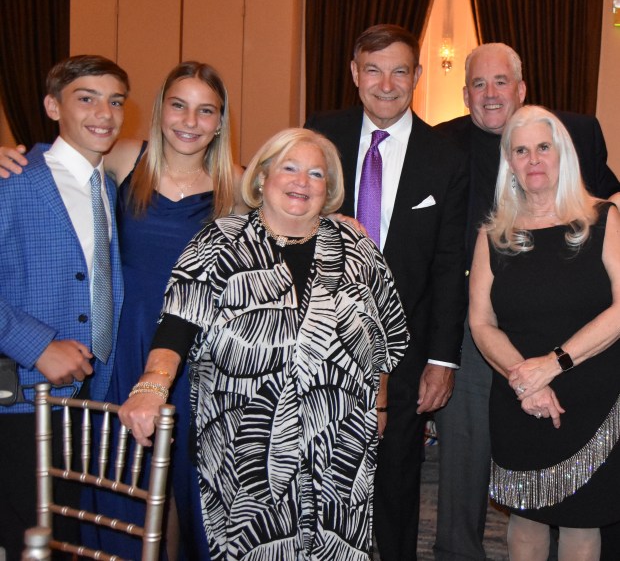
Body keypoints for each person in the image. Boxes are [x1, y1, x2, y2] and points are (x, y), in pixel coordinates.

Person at [118, 127, 409, 560]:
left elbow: (384, 336)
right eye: (289, 168)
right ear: (262, 177)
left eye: (316, 174)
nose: (302, 182)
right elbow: (177, 325)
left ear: (328, 189)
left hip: (340, 446)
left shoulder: (357, 247)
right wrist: (152, 383)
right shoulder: (218, 241)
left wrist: (380, 405)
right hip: (247, 449)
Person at [0, 61, 244, 560]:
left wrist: (336, 216)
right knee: (113, 487)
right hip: (124, 351)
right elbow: (55, 162)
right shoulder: (123, 159)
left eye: (206, 110)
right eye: (178, 105)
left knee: (192, 495)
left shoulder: (236, 185)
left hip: (199, 358)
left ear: (220, 121)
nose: (190, 121)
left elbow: (297, 202)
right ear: (158, 111)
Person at [433, 43, 620, 561]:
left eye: (544, 148)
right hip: (517, 390)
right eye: (521, 151)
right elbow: (481, 320)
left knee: (583, 525)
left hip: (590, 387)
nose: (533, 159)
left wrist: (552, 366)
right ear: (508, 162)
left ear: (563, 153)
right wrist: (523, 376)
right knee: (526, 520)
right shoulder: (494, 234)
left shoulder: (603, 219)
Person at [305, 24, 468, 561]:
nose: (386, 83)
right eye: (373, 69)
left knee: (397, 481)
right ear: (355, 74)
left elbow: (449, 267)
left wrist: (442, 360)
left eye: (400, 70)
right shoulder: (318, 136)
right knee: (318, 479)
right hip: (318, 346)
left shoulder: (445, 157)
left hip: (403, 354)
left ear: (417, 77)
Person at [0, 55, 127, 561]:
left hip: (93, 399)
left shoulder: (113, 187)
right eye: (87, 98)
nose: (105, 113)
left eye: (116, 101)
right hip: (21, 400)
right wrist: (38, 347)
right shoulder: (14, 179)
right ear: (53, 106)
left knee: (70, 540)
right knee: (30, 542)